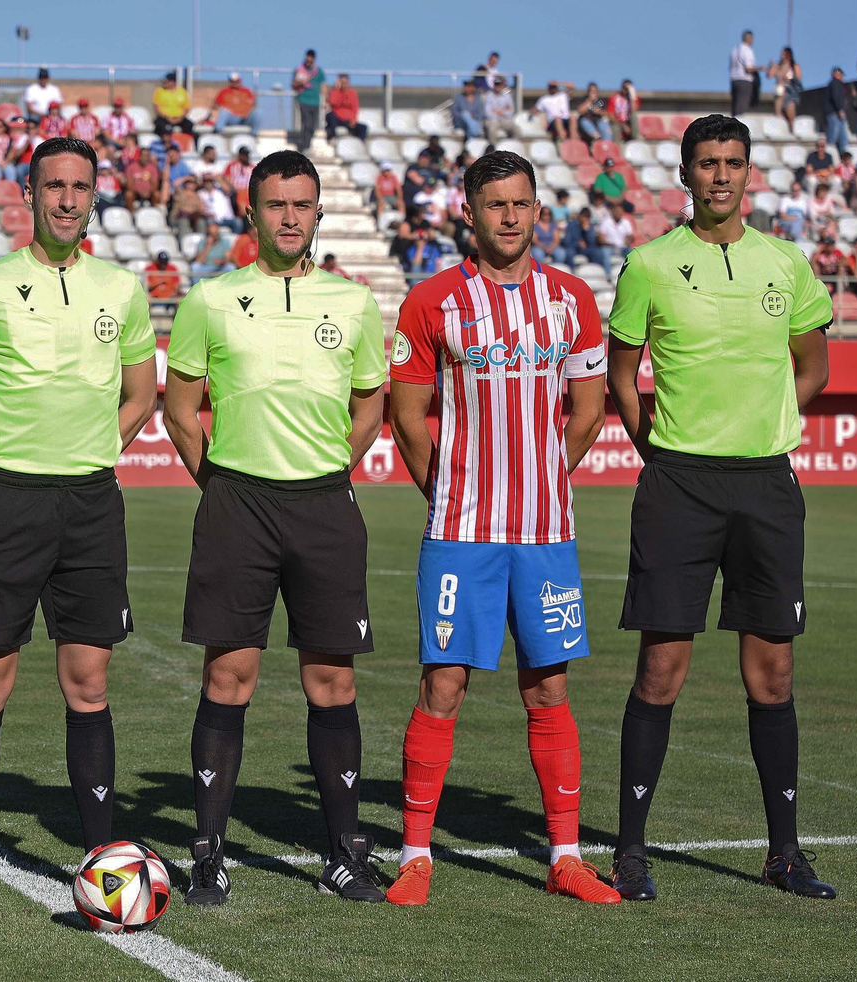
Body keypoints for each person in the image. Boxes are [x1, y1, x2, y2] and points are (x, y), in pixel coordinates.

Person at [0, 136, 157, 906]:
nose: (65, 198)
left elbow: (140, 396)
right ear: (29, 193)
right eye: (52, 185)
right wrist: (8, 462)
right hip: (11, 500)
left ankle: (101, 858)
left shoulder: (122, 289)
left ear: (95, 196)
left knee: (88, 681)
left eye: (79, 186)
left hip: (90, 502)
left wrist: (89, 452)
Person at [605, 114, 836, 903]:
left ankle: (784, 853)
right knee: (661, 668)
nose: (721, 175)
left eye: (734, 162)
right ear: (685, 172)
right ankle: (630, 851)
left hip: (766, 486)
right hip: (678, 485)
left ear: (749, 173)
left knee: (772, 673)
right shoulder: (649, 265)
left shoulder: (787, 262)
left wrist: (764, 426)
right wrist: (663, 450)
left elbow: (812, 366)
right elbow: (623, 373)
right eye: (707, 163)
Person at [383, 150, 617, 907]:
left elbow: (587, 410)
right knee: (442, 684)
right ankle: (416, 855)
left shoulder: (572, 298)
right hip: (461, 530)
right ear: (470, 213)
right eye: (495, 205)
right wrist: (448, 485)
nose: (509, 217)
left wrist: (545, 474)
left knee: (549, 688)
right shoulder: (433, 302)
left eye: (521, 204)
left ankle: (567, 856)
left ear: (536, 210)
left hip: (546, 533)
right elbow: (408, 414)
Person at [162, 149, 387, 906]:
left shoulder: (354, 303)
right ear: (251, 212)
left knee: (332, 680)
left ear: (318, 212)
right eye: (276, 205)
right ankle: (208, 855)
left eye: (302, 204)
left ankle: (344, 852)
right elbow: (180, 407)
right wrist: (222, 483)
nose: (290, 217)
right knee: (229, 676)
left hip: (324, 505)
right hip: (238, 507)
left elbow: (369, 409)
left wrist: (326, 473)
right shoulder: (210, 300)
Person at [291, 50, 324, 152]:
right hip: (304, 100)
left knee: (313, 125)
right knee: (306, 123)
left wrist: (325, 100)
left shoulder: (319, 72)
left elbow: (323, 86)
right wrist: (302, 82)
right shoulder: (299, 70)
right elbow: (294, 85)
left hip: (315, 101)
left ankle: (306, 144)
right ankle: (305, 145)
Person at [766, 48, 802, 128]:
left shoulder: (794, 65)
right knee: (779, 114)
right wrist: (772, 66)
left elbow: (798, 79)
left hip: (790, 92)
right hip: (780, 92)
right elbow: (769, 75)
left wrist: (790, 79)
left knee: (790, 114)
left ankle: (791, 129)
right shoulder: (778, 66)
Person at [325, 74, 368, 140]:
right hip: (337, 119)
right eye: (342, 82)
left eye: (346, 82)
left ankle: (359, 144)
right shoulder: (335, 91)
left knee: (363, 128)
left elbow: (355, 108)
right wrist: (336, 88)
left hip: (348, 120)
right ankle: (332, 138)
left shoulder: (353, 93)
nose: (344, 84)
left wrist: (353, 120)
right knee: (330, 116)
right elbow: (332, 101)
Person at [152, 72, 193, 140]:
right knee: (159, 126)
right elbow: (157, 107)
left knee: (189, 125)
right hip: (165, 118)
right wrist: (167, 117)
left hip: (179, 118)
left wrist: (180, 118)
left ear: (173, 82)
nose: (165, 83)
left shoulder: (182, 92)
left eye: (167, 81)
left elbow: (186, 108)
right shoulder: (160, 91)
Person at [730, 31, 757, 116]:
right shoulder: (747, 50)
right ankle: (737, 125)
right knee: (741, 106)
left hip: (734, 80)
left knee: (735, 105)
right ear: (750, 39)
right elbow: (749, 68)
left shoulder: (734, 50)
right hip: (744, 80)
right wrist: (761, 68)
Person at [484, 76, 516, 142]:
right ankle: (494, 149)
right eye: (496, 84)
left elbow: (511, 111)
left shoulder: (507, 96)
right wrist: (503, 112)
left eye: (499, 85)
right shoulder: (488, 96)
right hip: (493, 120)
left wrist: (500, 112)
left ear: (502, 85)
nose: (498, 86)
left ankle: (511, 148)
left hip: (504, 120)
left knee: (516, 130)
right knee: (491, 130)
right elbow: (487, 112)